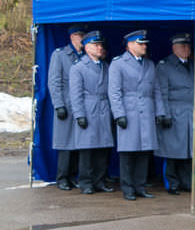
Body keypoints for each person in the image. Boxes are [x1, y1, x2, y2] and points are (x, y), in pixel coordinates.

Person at [108, 30, 166, 201]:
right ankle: (128, 188)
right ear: (130, 45)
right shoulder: (118, 64)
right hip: (129, 110)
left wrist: (160, 111)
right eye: (141, 44)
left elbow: (156, 91)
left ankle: (140, 186)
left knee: (144, 152)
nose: (144, 46)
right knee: (128, 153)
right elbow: (114, 92)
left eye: (145, 44)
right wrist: (119, 114)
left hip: (146, 111)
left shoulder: (149, 64)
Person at [155, 33, 195, 194]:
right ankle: (172, 183)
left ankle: (187, 183)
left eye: (188, 46)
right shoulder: (164, 66)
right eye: (182, 46)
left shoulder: (193, 65)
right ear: (174, 48)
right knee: (172, 152)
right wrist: (163, 113)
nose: (186, 49)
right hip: (174, 112)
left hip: (191, 112)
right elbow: (161, 92)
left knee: (189, 152)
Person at [68, 31, 114, 194]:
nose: (100, 48)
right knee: (87, 149)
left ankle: (99, 180)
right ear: (87, 47)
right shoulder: (78, 68)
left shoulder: (105, 66)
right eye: (96, 45)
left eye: (101, 45)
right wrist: (79, 114)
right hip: (88, 109)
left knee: (102, 148)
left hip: (103, 108)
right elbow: (76, 94)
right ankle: (86, 182)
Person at [48, 24, 87, 190]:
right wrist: (58, 105)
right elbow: (54, 82)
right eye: (79, 36)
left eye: (83, 36)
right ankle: (62, 178)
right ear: (72, 37)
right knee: (65, 145)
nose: (82, 39)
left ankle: (73, 176)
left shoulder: (85, 56)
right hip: (66, 105)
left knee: (78, 144)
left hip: (81, 106)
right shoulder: (60, 55)